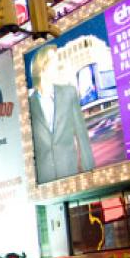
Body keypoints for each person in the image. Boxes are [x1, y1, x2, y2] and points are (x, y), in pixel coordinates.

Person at [28, 44, 95, 184]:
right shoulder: (29, 104)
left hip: (70, 173)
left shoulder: (68, 93)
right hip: (44, 179)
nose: (57, 65)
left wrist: (90, 172)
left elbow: (81, 134)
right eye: (53, 61)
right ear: (42, 68)